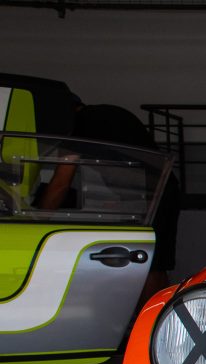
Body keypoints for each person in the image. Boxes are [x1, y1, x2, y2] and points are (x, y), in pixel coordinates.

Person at [40, 97, 180, 300]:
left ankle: (152, 314)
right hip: (159, 190)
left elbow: (61, 181)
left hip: (151, 195)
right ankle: (158, 311)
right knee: (155, 262)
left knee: (149, 263)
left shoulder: (80, 125)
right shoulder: (107, 114)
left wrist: (40, 218)